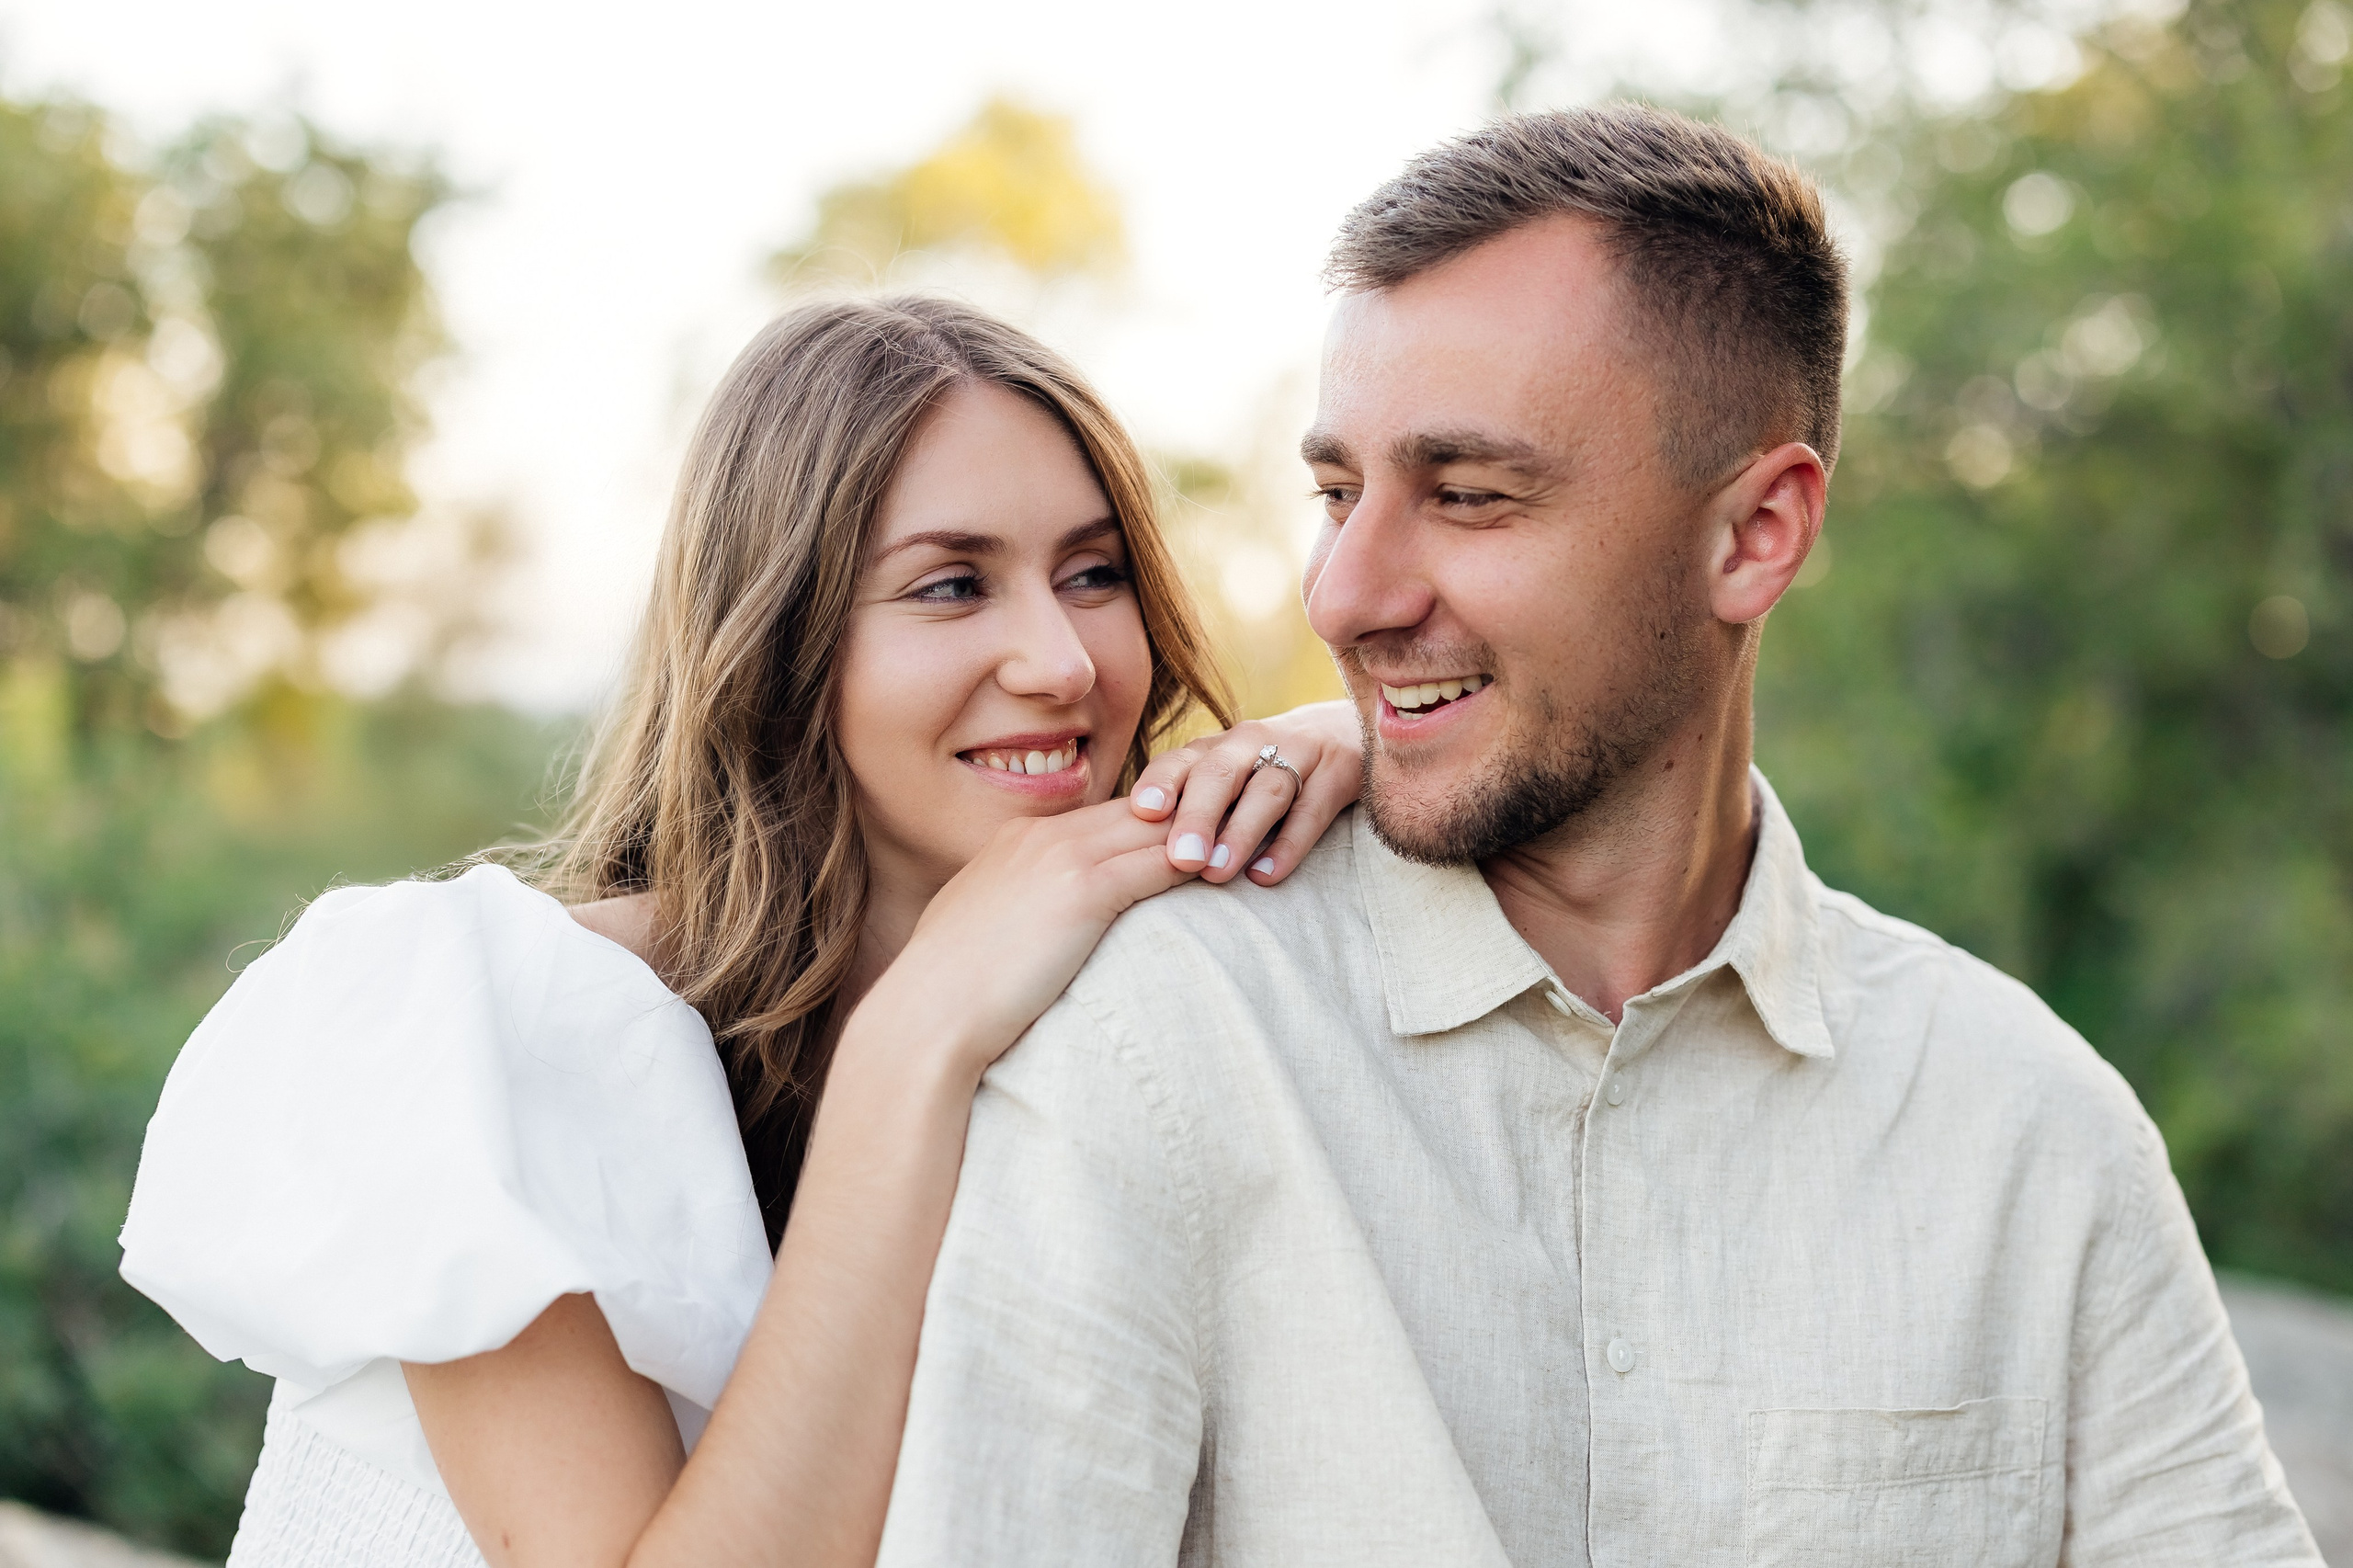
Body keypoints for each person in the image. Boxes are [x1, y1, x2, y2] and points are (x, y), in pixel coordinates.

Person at [871, 105, 2322, 1566]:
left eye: (1470, 496)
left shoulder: (2031, 1134)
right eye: (1336, 493)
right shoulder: (1155, 1043)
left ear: (1755, 535)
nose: (1342, 595)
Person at [116, 296, 1365, 1568]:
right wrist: (912, 1033)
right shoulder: (483, 1023)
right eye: (951, 585)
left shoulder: (1117, 1015)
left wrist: (1343, 738)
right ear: (781, 640)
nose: (1060, 660)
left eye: (1093, 574)